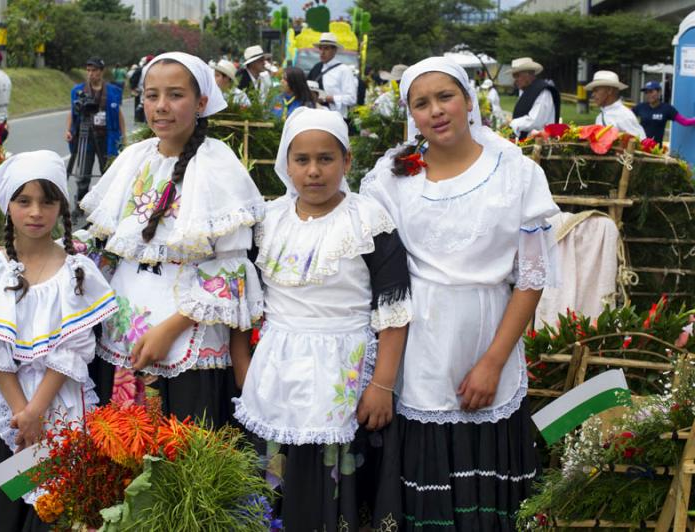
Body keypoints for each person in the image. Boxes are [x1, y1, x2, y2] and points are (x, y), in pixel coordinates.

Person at [361, 56, 559, 530]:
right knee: (423, 471)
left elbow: (530, 278)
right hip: (418, 343)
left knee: (484, 476)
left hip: (488, 329)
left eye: (445, 96)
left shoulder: (515, 172)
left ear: (469, 100)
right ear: (411, 114)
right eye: (421, 103)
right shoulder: (392, 179)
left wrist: (492, 361)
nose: (436, 111)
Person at [233, 107, 411, 530]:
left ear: (347, 162)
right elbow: (241, 300)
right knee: (273, 476)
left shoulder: (368, 221)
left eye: (326, 159)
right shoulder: (266, 221)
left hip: (346, 375)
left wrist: (382, 385)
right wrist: (245, 369)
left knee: (339, 477)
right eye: (302, 160)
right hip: (275, 371)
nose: (314, 171)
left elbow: (395, 309)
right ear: (286, 164)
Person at [76, 52, 265, 426]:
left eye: (175, 95)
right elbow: (102, 244)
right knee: (126, 455)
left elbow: (232, 269)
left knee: (183, 460)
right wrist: (30, 253)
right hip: (124, 334)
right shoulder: (134, 158)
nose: (161, 107)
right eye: (151, 95)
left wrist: (170, 329)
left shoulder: (217, 165)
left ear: (201, 103)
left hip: (189, 336)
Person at [0, 150, 118, 531]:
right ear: (8, 206)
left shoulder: (77, 272)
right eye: (23, 201)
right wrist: (22, 414)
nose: (36, 212)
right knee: (7, 502)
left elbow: (72, 352)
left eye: (48, 201)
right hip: (9, 410)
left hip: (61, 408)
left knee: (56, 507)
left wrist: (36, 412)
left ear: (62, 206)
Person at [65, 56, 126, 206]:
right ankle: (81, 202)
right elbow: (72, 112)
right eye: (88, 70)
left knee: (108, 172)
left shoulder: (113, 91)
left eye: (94, 70)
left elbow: (118, 114)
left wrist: (123, 137)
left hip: (107, 137)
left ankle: (108, 203)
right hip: (84, 136)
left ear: (102, 71)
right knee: (83, 172)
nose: (91, 74)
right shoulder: (78, 91)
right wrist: (68, 130)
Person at [307, 33, 358, 119]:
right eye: (320, 48)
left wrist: (328, 98)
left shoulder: (344, 70)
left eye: (326, 49)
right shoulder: (316, 67)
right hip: (315, 116)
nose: (322, 52)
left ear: (334, 50)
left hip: (336, 117)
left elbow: (351, 99)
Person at [509, 57, 560, 139]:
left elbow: (535, 122)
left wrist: (512, 123)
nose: (515, 80)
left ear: (529, 74)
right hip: (528, 142)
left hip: (541, 145)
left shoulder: (543, 92)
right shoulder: (527, 90)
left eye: (517, 75)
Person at [586, 70, 646, 140]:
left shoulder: (625, 115)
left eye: (596, 90)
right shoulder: (600, 116)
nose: (593, 95)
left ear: (609, 90)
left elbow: (641, 143)